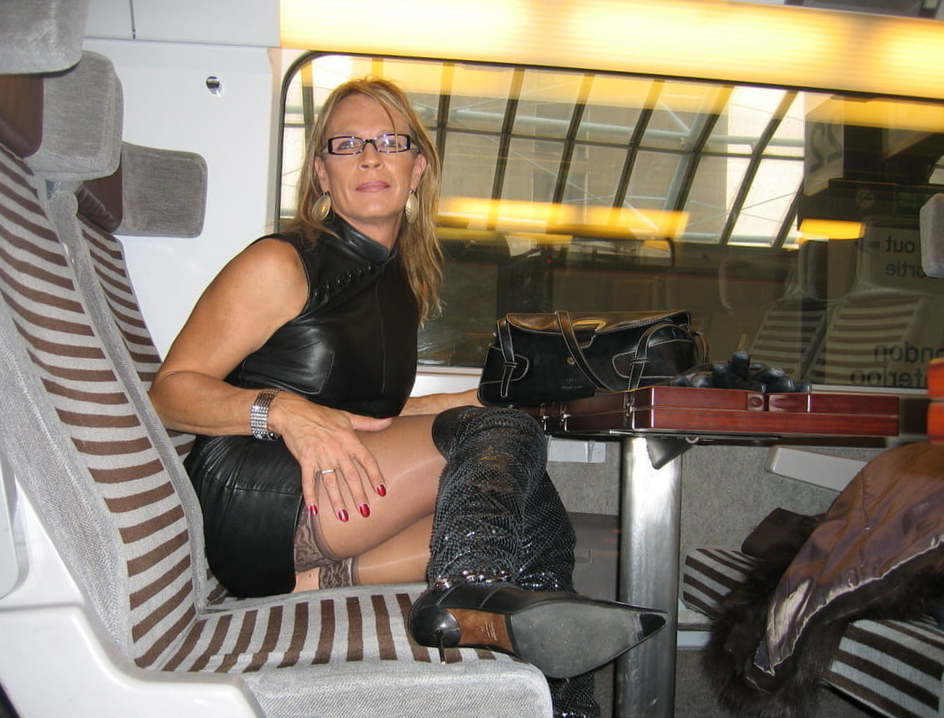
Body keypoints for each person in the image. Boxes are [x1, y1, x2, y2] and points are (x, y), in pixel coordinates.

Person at [149, 77, 662, 718]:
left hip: (327, 500)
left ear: (418, 167)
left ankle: (567, 707)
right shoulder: (282, 263)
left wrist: (489, 398)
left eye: (390, 142)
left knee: (533, 515)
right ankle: (468, 591)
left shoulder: (396, 283)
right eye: (347, 144)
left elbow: (378, 419)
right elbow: (170, 393)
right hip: (257, 490)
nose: (370, 157)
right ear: (322, 173)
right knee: (505, 443)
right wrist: (284, 412)